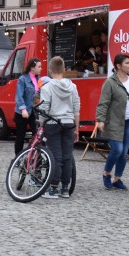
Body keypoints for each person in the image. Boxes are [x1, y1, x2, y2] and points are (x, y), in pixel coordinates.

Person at [95, 54, 129, 190]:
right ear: (118, 66)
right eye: (127, 63)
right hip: (114, 122)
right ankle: (106, 173)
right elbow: (103, 103)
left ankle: (117, 179)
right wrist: (100, 120)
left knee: (124, 153)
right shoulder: (110, 82)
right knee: (118, 149)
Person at [39, 56, 81, 199]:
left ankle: (53, 189)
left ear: (50, 71)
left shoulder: (47, 87)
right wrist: (77, 128)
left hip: (53, 123)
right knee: (67, 156)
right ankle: (65, 188)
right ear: (64, 69)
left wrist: (41, 124)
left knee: (55, 156)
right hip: (69, 123)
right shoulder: (73, 87)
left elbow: (44, 109)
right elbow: (76, 109)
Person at [14, 58, 42, 156]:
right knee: (20, 137)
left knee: (37, 135)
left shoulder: (39, 79)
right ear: (32, 68)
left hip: (34, 112)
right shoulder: (23, 79)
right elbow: (19, 96)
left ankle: (35, 157)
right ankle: (18, 157)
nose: (41, 68)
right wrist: (23, 109)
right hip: (22, 113)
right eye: (39, 66)